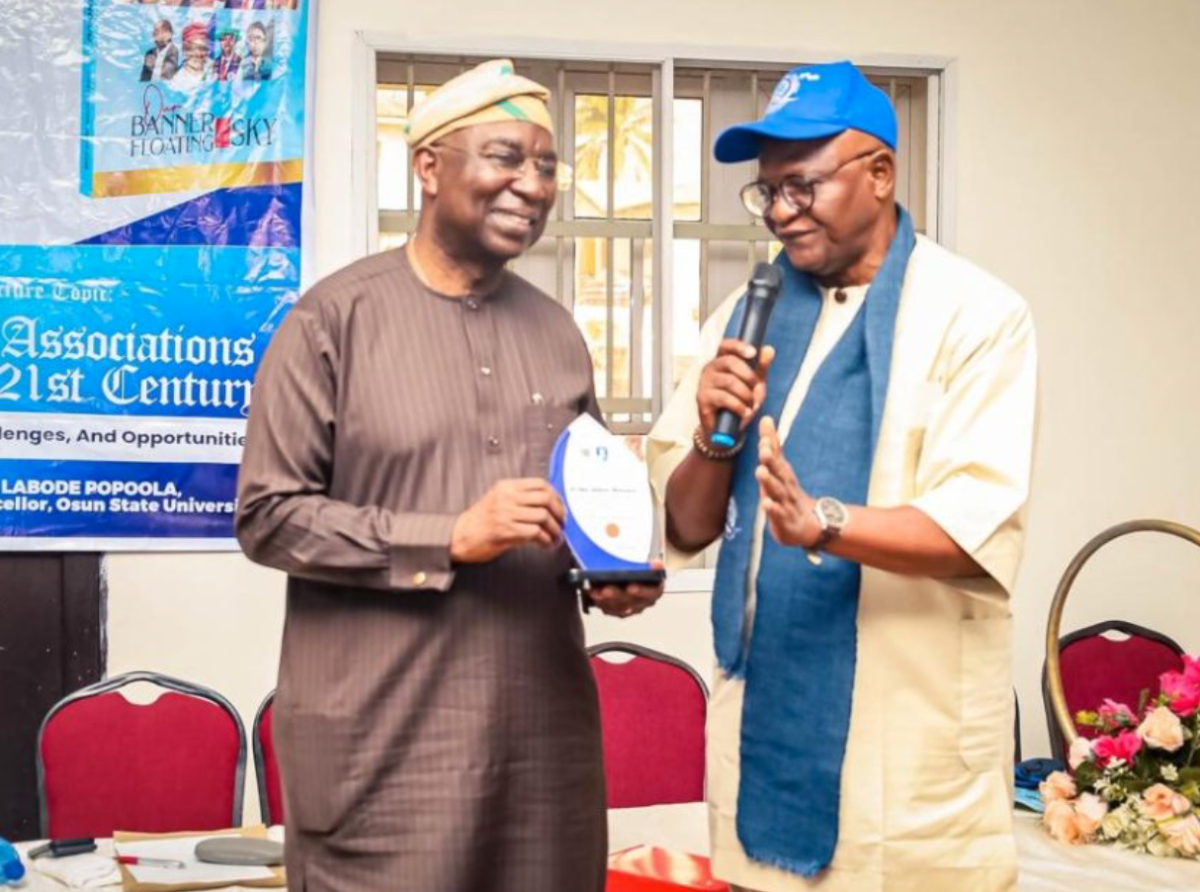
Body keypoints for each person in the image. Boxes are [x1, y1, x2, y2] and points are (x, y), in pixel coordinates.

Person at [237, 59, 663, 892]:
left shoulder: (557, 332)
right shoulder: (332, 320)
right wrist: (448, 537)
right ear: (428, 167)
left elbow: (587, 500)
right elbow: (269, 516)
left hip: (540, 756)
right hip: (384, 753)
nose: (532, 185)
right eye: (505, 157)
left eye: (547, 167)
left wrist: (612, 570)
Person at [647, 60, 1037, 892]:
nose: (781, 212)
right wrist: (714, 440)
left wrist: (822, 522)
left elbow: (974, 529)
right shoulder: (743, 316)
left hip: (908, 756)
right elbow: (686, 526)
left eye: (804, 186)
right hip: (763, 743)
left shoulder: (976, 316)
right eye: (768, 192)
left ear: (880, 174)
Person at [169, 22, 210, 91]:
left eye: (203, 48)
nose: (198, 54)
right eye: (193, 48)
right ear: (184, 51)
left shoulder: (213, 69)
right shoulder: (177, 82)